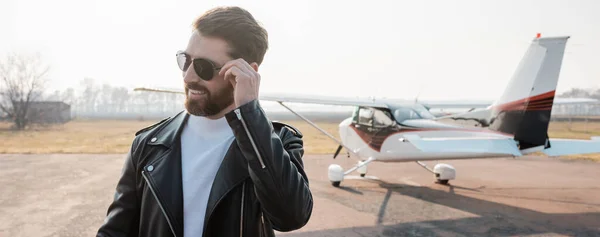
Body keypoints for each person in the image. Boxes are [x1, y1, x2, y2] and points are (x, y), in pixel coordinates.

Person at [96, 6, 313, 237]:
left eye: (204, 67)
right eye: (185, 60)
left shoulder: (278, 142)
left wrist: (250, 113)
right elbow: (115, 231)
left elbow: (291, 217)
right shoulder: (148, 144)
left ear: (247, 72)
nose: (188, 76)